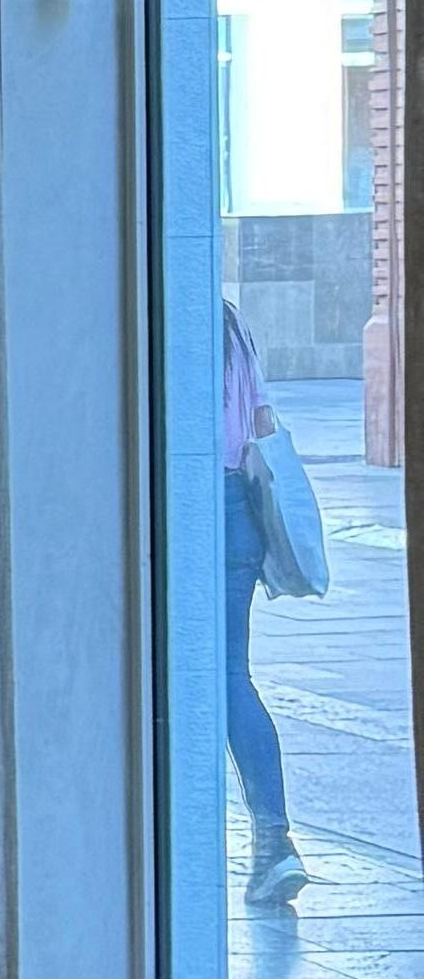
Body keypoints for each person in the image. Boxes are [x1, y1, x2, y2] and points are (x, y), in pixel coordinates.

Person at [225, 299, 306, 910]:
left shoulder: (160, 318)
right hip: (237, 516)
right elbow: (262, 421)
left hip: (183, 506)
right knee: (231, 678)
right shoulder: (230, 321)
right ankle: (273, 841)